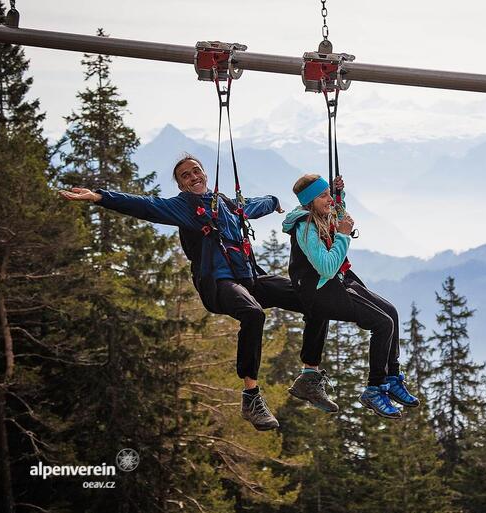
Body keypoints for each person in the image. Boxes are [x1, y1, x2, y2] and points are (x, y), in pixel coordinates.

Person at [59, 155, 339, 431]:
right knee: (252, 314)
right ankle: (251, 397)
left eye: (196, 171)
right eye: (186, 175)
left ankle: (309, 376)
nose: (193, 177)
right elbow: (147, 205)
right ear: (181, 185)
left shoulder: (226, 204)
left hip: (250, 278)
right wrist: (99, 196)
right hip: (218, 284)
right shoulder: (183, 207)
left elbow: (253, 205)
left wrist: (274, 202)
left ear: (205, 174)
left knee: (317, 297)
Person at [282, 174, 420, 419]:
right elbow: (326, 266)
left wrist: (338, 195)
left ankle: (391, 375)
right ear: (309, 202)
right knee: (382, 323)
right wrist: (344, 236)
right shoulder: (305, 227)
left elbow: (337, 213)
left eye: (328, 194)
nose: (329, 201)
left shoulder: (323, 215)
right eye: (322, 196)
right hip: (320, 290)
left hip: (337, 281)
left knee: (391, 313)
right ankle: (374, 389)